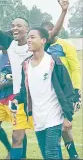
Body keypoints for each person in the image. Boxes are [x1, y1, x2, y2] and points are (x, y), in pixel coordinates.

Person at [0, 0, 69, 159]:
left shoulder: (35, 45)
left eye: (19, 25)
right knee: (15, 135)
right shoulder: (10, 43)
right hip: (18, 97)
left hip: (36, 99)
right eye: (12, 26)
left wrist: (63, 11)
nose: (14, 28)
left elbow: (53, 31)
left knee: (37, 139)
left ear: (27, 29)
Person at [12, 27, 74, 159]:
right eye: (28, 37)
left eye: (32, 37)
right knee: (48, 154)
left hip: (54, 115)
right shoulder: (26, 65)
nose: (28, 40)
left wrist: (67, 116)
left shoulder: (53, 62)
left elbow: (67, 89)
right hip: (38, 117)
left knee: (51, 153)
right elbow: (24, 90)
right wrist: (16, 100)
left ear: (43, 40)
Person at [41, 21, 81, 159]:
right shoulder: (43, 46)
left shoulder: (66, 45)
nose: (47, 36)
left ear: (54, 30)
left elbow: (75, 68)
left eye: (49, 33)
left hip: (65, 91)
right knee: (52, 125)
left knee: (64, 125)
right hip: (49, 91)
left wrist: (76, 91)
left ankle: (73, 155)